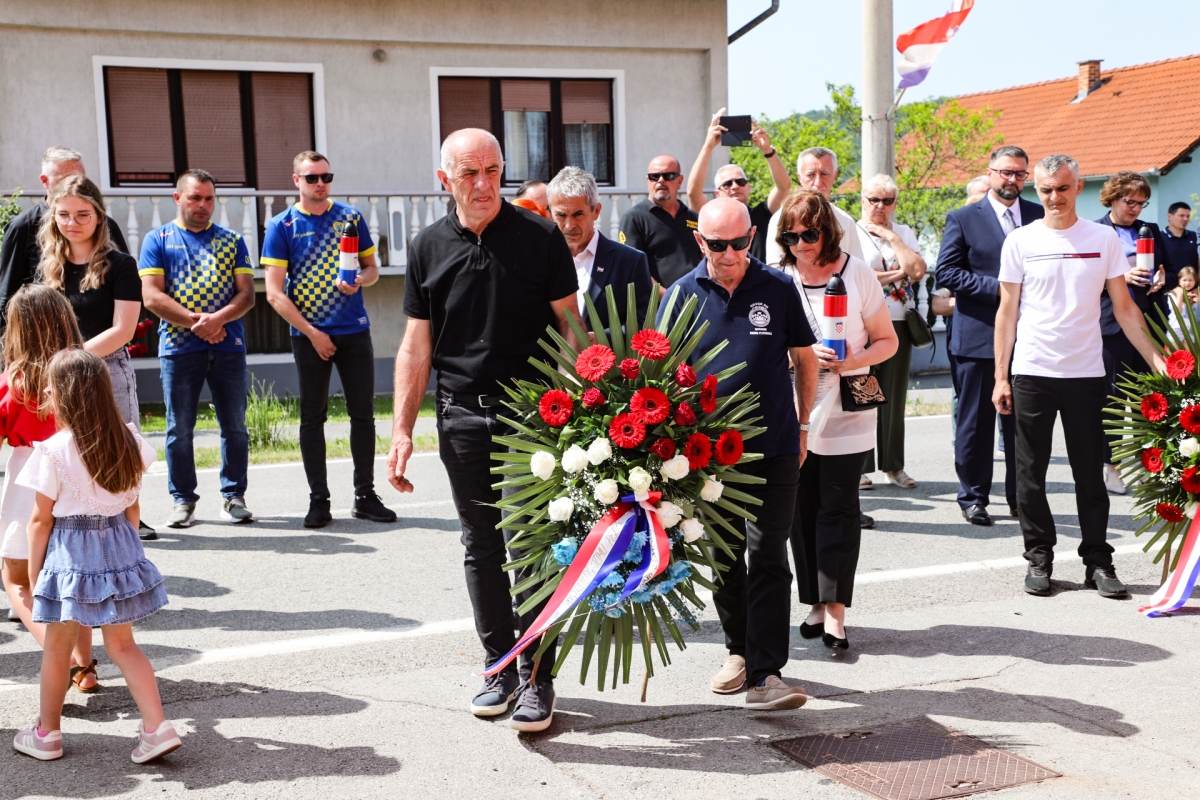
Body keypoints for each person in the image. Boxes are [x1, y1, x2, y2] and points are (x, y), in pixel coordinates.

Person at [389, 128, 581, 733]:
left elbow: (572, 329)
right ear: (444, 178)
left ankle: (537, 677)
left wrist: (594, 414)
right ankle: (499, 664)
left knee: (530, 546)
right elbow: (416, 347)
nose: (483, 184)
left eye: (492, 171)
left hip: (532, 416)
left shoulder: (541, 236)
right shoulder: (426, 247)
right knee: (481, 545)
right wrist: (400, 432)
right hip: (463, 415)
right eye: (468, 173)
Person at [660, 197, 818, 709]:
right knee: (725, 556)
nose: (728, 254)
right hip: (709, 455)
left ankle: (766, 674)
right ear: (699, 240)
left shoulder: (777, 287)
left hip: (772, 445)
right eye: (716, 244)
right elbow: (661, 377)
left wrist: (802, 424)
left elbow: (804, 359)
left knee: (769, 554)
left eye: (738, 243)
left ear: (752, 236)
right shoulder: (682, 295)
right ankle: (737, 651)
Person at [994, 154, 1165, 600]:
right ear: (1038, 189)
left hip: (1087, 372)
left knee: (1089, 473)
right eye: (1046, 189)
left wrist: (1156, 358)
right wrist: (1001, 376)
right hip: (1032, 370)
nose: (1054, 197)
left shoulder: (1103, 238)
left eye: (1063, 188)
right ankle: (1039, 558)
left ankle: (1098, 561)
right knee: (1029, 474)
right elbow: (1007, 312)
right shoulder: (1020, 241)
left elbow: (1125, 309)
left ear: (1079, 185)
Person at [12, 348, 181, 763]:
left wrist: (36, 579)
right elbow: (134, 509)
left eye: (51, 384)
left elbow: (40, 522)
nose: (46, 389)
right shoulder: (130, 441)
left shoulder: (53, 451)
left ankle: (47, 734)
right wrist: (130, 553)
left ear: (63, 394)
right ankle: (156, 727)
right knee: (123, 645)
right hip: (118, 544)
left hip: (71, 556)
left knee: (57, 648)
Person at [780, 190, 898, 652]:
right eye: (791, 236)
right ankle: (812, 600)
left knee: (839, 508)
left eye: (809, 234)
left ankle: (836, 610)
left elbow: (887, 341)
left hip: (848, 402)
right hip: (796, 406)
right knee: (800, 510)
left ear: (827, 230)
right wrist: (799, 360)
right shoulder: (779, 278)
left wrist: (851, 361)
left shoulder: (858, 273)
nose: (801, 245)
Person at [263, 152, 395, 529]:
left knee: (363, 415)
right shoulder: (281, 225)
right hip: (309, 336)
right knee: (312, 418)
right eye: (311, 178)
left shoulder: (350, 218)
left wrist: (359, 281)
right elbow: (274, 293)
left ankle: (365, 495)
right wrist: (313, 333)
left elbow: (372, 270)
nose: (320, 183)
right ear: (296, 181)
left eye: (325, 176)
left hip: (353, 329)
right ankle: (318, 500)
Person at [34, 175, 153, 541]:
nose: (72, 223)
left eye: (82, 215)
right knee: (66, 464)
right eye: (64, 215)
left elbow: (124, 330)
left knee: (116, 461)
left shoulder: (120, 265)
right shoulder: (48, 266)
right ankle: (73, 544)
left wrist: (73, 359)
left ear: (99, 216)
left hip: (106, 371)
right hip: (57, 377)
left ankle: (125, 549)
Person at [139, 169, 255, 528]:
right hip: (177, 348)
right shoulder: (157, 239)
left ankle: (233, 497)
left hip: (228, 347)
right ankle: (183, 501)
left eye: (209, 198)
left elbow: (247, 294)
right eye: (195, 198)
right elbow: (151, 295)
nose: (203, 205)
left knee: (234, 425)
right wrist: (198, 323)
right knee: (179, 428)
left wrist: (218, 320)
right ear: (178, 198)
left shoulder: (233, 240)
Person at [935, 145, 1044, 526]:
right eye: (1005, 172)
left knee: (1023, 427)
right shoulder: (964, 218)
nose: (1012, 179)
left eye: (1019, 174)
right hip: (978, 337)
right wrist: (1000, 287)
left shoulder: (1038, 216)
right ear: (991, 173)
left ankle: (1021, 498)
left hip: (1029, 338)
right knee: (976, 424)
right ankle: (974, 497)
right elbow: (946, 273)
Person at [0, 286, 98, 693]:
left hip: (30, 479)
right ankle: (86, 665)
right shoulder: (86, 371)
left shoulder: (16, 380)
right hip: (79, 475)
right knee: (73, 578)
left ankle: (64, 663)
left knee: (17, 577)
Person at [1095, 171, 1172, 495]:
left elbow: (1169, 269)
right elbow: (1085, 281)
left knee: (1149, 398)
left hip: (1150, 322)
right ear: (1112, 196)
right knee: (1114, 398)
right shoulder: (1097, 231)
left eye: (1142, 203)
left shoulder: (1151, 230)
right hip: (1113, 326)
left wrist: (1161, 278)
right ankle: (1112, 465)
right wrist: (1121, 278)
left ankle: (1146, 462)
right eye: (1130, 202)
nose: (1136, 209)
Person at [0, 147, 128, 330]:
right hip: (45, 345)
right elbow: (7, 297)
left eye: (80, 178)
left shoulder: (104, 225)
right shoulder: (22, 228)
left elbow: (126, 288)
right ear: (45, 181)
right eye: (65, 179)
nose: (74, 184)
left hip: (101, 344)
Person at [855, 174, 927, 490]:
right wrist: (900, 272)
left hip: (898, 321)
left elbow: (918, 270)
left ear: (895, 203)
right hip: (864, 322)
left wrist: (893, 238)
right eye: (874, 200)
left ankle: (894, 466)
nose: (880, 206)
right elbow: (860, 278)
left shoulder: (905, 232)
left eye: (887, 201)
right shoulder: (852, 232)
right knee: (863, 393)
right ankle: (859, 466)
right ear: (863, 200)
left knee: (894, 397)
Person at [546, 166, 653, 329]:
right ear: (550, 213)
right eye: (561, 215)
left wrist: (601, 339)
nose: (569, 225)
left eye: (578, 214)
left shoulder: (630, 261)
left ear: (596, 211)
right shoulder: (540, 260)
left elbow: (644, 324)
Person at [685, 108, 791, 262]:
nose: (735, 186)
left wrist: (767, 150)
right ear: (717, 193)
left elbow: (784, 187)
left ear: (748, 188)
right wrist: (708, 146)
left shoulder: (761, 214)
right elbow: (693, 192)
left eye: (740, 182)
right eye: (727, 184)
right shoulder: (711, 217)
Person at [763, 147, 865, 266]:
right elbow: (775, 268)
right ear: (799, 177)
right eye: (810, 174)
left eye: (824, 174)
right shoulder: (780, 218)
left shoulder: (846, 221)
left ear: (835, 176)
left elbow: (857, 268)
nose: (817, 182)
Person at [618, 156, 701, 288]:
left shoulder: (693, 217)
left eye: (668, 175)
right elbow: (631, 266)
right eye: (654, 176)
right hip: (659, 305)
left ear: (680, 181)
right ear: (648, 180)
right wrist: (666, 296)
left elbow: (705, 258)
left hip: (696, 299)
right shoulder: (634, 218)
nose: (661, 180)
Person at [1162, 202, 1198, 277]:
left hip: (1192, 286)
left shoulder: (1195, 236)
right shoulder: (1159, 238)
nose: (1185, 219)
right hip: (1168, 286)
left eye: (1188, 216)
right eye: (1181, 215)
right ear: (1169, 216)